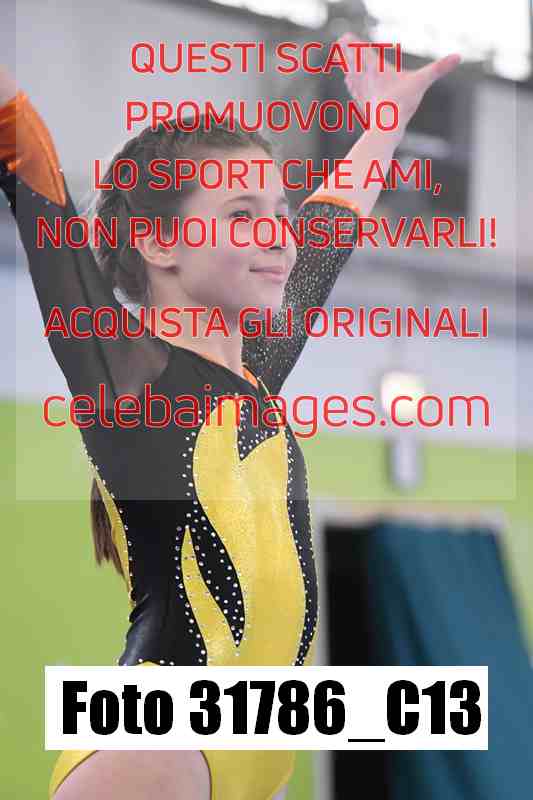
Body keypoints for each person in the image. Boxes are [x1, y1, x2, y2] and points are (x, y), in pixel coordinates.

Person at [0, 33, 460, 800]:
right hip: (157, 748)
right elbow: (27, 155)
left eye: (278, 211)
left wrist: (384, 123)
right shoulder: (128, 378)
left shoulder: (252, 379)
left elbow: (328, 234)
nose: (277, 235)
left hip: (256, 752)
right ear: (157, 240)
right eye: (242, 214)